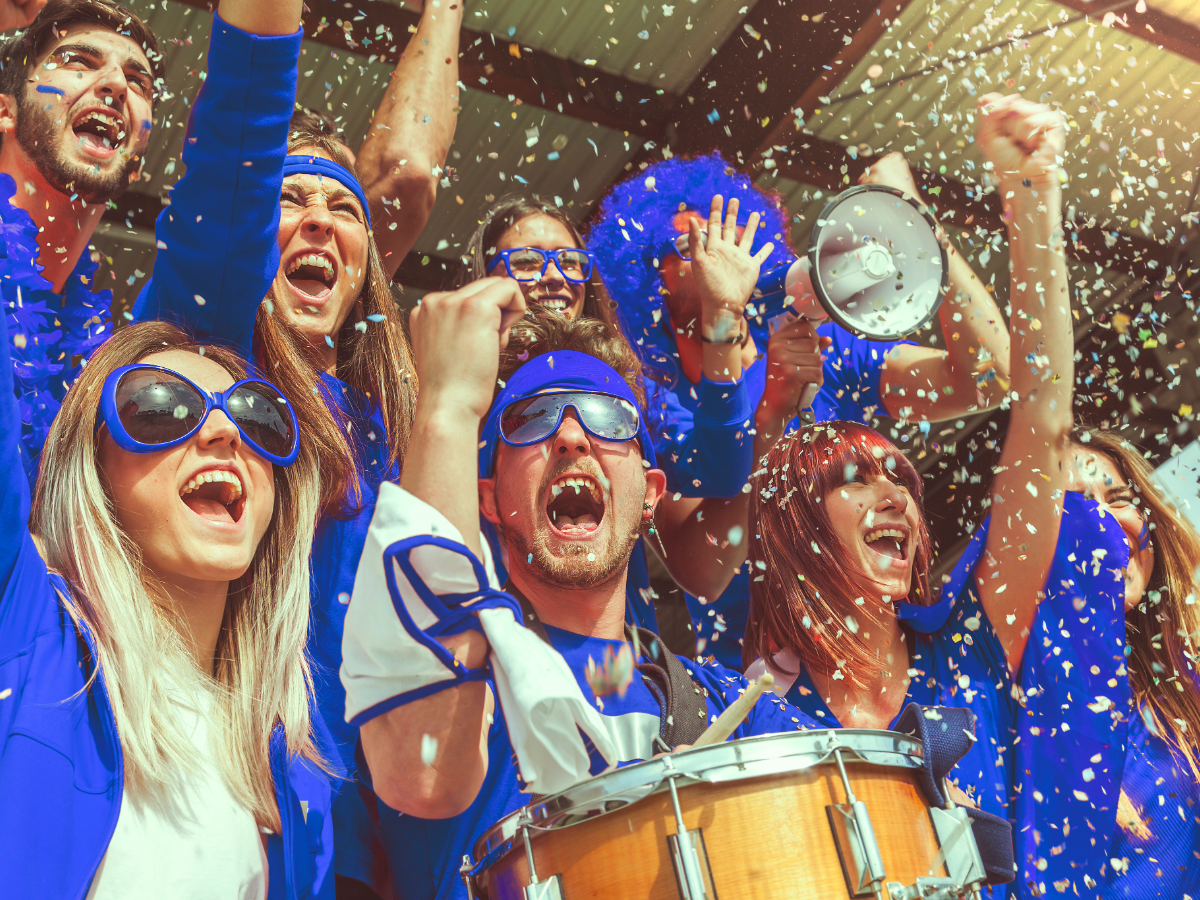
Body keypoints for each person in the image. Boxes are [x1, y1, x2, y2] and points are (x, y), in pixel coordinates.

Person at [339, 280, 830, 900]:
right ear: (487, 498)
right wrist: (447, 409)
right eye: (530, 420)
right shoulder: (459, 689)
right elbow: (425, 768)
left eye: (607, 417)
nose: (571, 438)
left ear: (651, 492)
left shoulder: (735, 704)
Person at [743, 93, 1069, 892]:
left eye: (904, 477)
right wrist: (773, 404)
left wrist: (1030, 196)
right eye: (855, 477)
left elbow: (1037, 404)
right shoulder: (753, 707)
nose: (893, 491)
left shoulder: (969, 646)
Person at [127, 0, 414, 894]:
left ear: (370, 261)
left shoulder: (388, 430)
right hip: (235, 797)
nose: (320, 220)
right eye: (290, 198)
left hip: (380, 825)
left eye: (344, 208)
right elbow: (226, 185)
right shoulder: (214, 352)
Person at [586, 151, 1013, 669]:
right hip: (765, 693)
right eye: (691, 244)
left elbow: (990, 378)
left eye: (730, 234)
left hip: (882, 659)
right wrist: (771, 415)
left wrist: (917, 219)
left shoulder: (826, 346)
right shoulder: (643, 408)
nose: (718, 253)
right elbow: (703, 569)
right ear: (650, 277)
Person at [0, 313, 335, 898]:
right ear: (93, 468)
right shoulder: (27, 640)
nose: (224, 432)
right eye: (160, 409)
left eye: (259, 418)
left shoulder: (296, 767)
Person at [461, 193, 822, 632]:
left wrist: (722, 317)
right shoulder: (449, 388)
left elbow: (724, 474)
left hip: (618, 664)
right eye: (526, 261)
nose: (554, 276)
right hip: (490, 651)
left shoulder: (632, 387)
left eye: (571, 261)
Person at [0, 0, 160, 482]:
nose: (115, 85)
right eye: (78, 62)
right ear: (4, 111)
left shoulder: (107, 364)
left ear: (137, 163)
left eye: (138, 82)